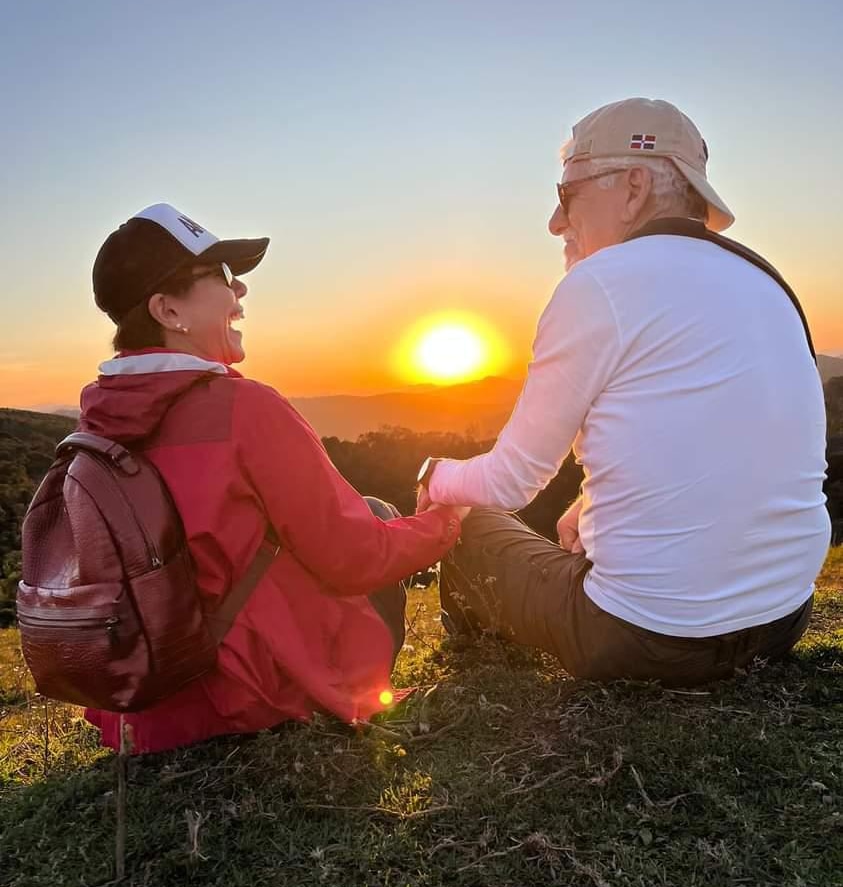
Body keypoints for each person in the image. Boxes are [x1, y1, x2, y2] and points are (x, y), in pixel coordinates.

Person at [416, 98, 830, 687]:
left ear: (633, 186)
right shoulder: (768, 281)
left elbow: (511, 481)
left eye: (566, 195)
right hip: (784, 618)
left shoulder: (599, 283)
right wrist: (588, 505)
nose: (555, 223)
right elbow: (722, 432)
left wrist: (436, 476)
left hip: (646, 640)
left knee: (472, 520)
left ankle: (477, 665)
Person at [81, 203, 467, 753]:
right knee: (376, 514)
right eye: (220, 276)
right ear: (168, 310)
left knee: (352, 516)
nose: (239, 292)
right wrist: (443, 522)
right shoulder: (245, 409)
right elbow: (354, 557)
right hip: (251, 700)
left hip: (141, 709)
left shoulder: (98, 419)